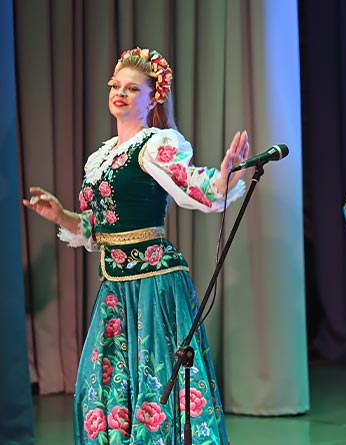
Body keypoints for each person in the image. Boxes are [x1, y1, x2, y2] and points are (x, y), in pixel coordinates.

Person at [22, 47, 250, 444]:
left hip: (154, 285)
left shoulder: (155, 144)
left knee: (155, 384)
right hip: (115, 289)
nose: (120, 94)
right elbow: (95, 228)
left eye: (132, 88)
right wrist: (60, 215)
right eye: (115, 86)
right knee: (103, 389)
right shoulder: (100, 158)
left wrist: (222, 178)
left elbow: (192, 186)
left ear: (153, 99)